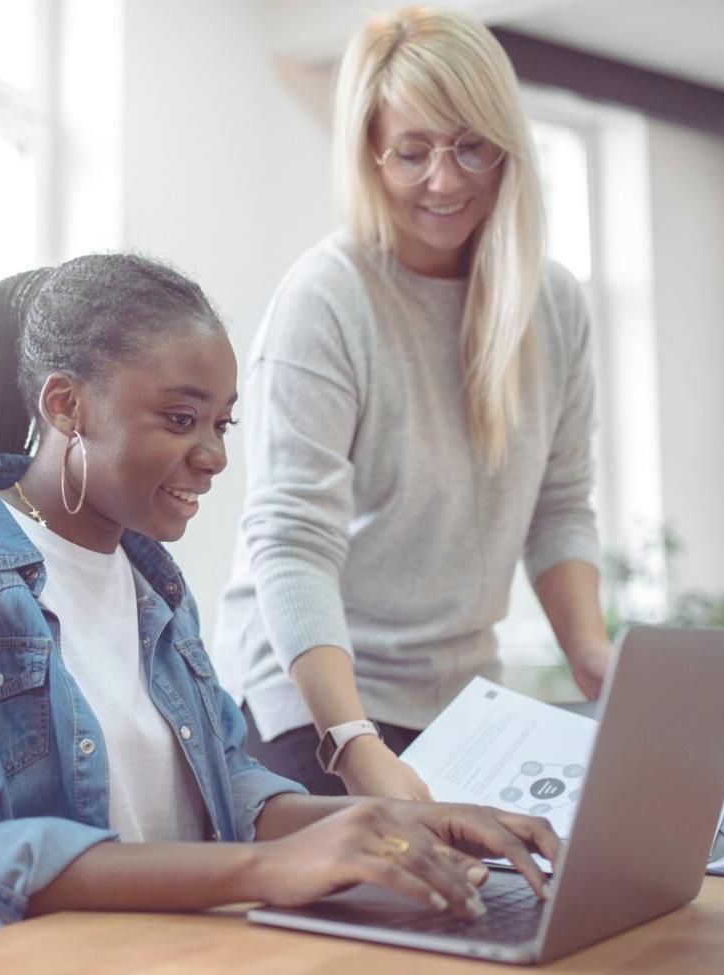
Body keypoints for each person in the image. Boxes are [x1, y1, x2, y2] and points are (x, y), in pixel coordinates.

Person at [0, 254, 559, 956]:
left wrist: (401, 822)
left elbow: (232, 787)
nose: (213, 453)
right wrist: (266, 869)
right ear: (67, 405)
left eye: (222, 423)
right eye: (181, 417)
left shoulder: (152, 580)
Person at [213, 6, 611, 801]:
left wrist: (593, 655)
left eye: (472, 146)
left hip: (459, 699)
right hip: (311, 695)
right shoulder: (325, 301)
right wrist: (354, 743)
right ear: (367, 154)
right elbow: (290, 543)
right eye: (412, 151)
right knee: (382, 892)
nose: (446, 179)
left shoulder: (552, 304)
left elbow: (559, 507)